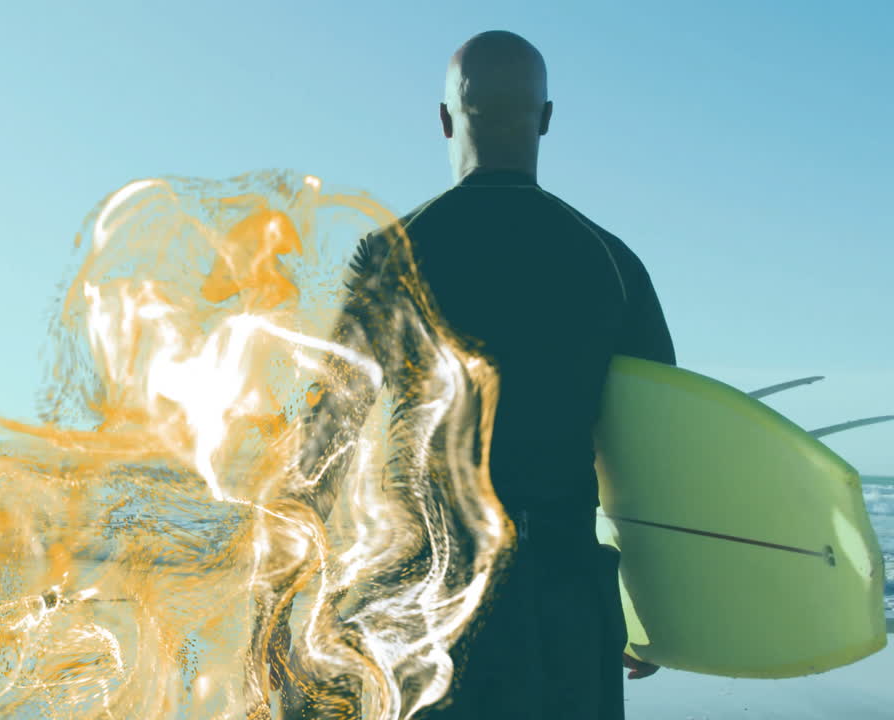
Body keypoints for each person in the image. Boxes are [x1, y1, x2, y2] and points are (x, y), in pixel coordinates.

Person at [276, 30, 673, 719]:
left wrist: (278, 610)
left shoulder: (392, 253)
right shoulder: (611, 262)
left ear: (443, 118)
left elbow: (322, 443)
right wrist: (658, 607)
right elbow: (663, 458)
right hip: (566, 611)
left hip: (425, 608)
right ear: (546, 118)